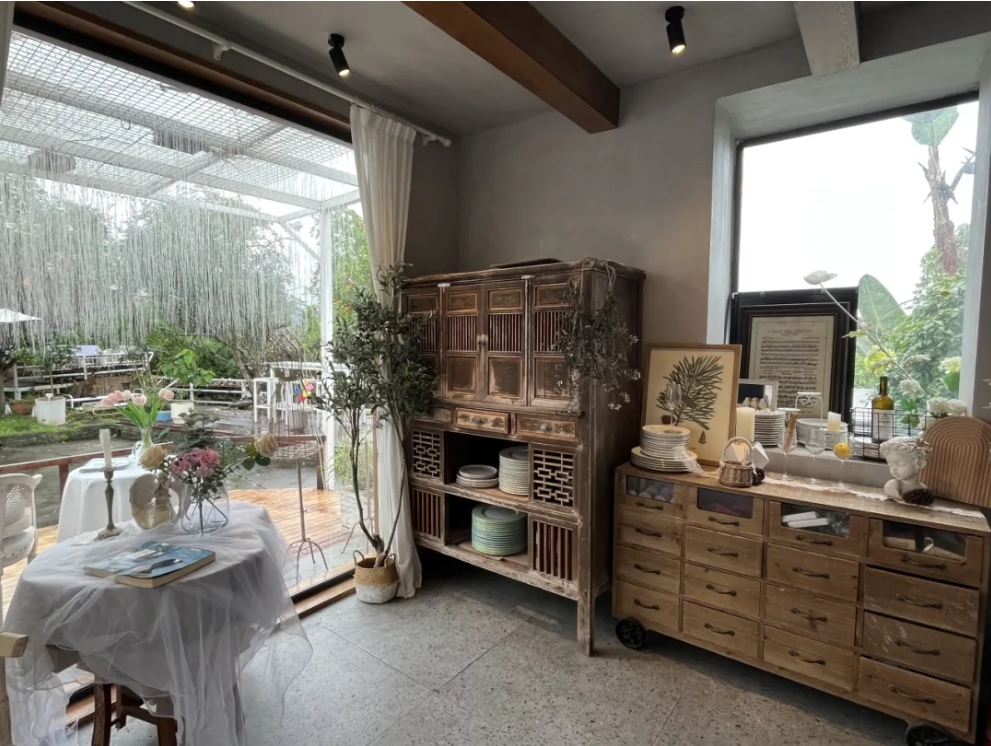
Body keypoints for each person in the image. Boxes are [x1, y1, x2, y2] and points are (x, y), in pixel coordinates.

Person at [879, 436, 931, 500]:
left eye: (901, 464)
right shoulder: (893, 485)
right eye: (890, 465)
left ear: (920, 463)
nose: (894, 469)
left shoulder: (923, 488)